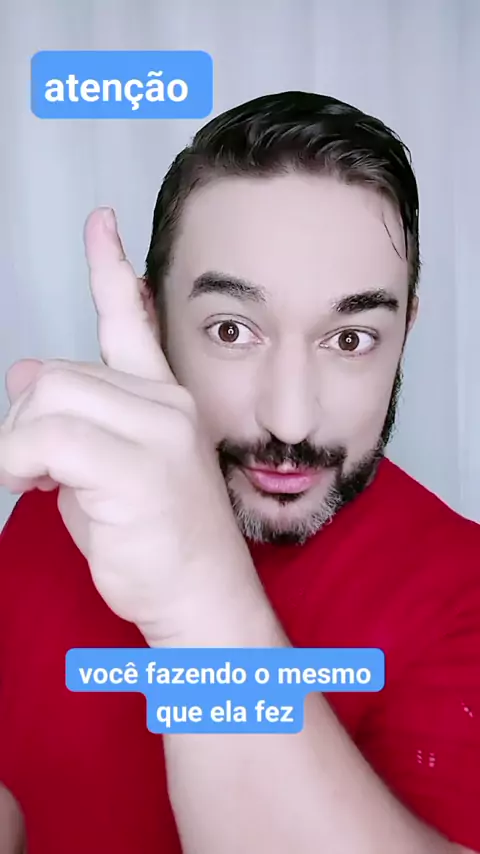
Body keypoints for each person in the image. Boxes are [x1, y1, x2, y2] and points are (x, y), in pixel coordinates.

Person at [0, 91, 478, 854]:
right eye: (231, 329)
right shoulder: (60, 504)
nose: (290, 421)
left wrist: (198, 601)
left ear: (405, 330)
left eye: (351, 338)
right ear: (152, 319)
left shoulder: (464, 591)